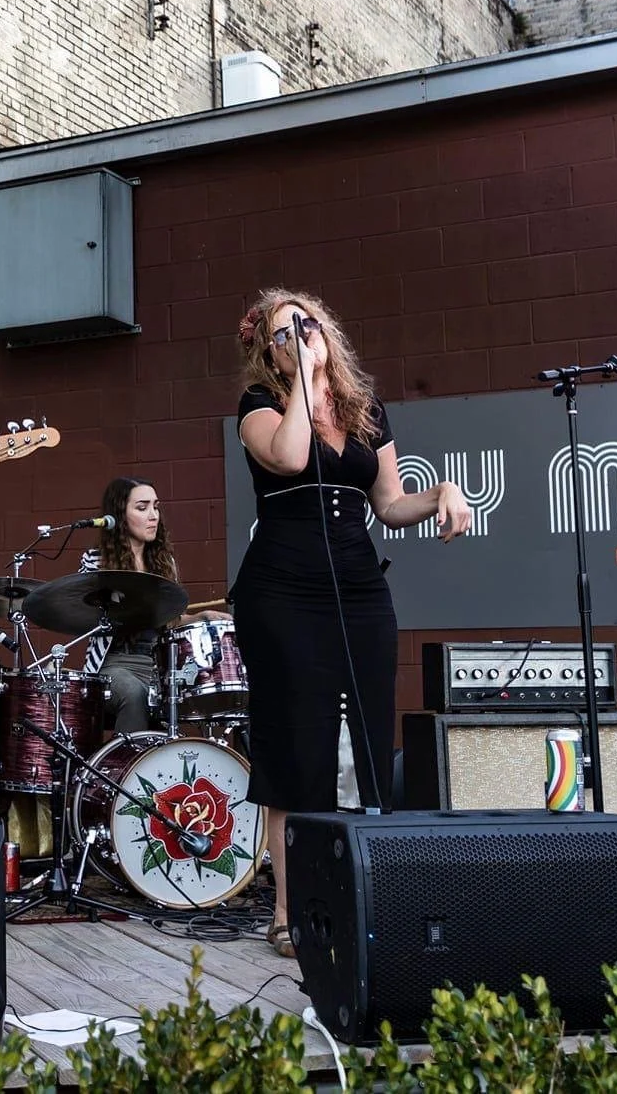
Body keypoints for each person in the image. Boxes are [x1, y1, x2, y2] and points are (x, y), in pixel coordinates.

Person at [231, 288, 473, 960]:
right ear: (267, 352)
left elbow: (390, 503)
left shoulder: (367, 411)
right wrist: (303, 383)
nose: (298, 337)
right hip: (282, 591)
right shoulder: (260, 408)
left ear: (328, 330)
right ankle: (285, 911)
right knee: (295, 747)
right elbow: (289, 457)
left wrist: (444, 493)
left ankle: (368, 889)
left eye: (305, 326)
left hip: (359, 587)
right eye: (283, 334)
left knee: (366, 736)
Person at [77, 477, 227, 733]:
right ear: (119, 515)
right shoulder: (96, 561)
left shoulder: (163, 562)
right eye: (142, 507)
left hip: (157, 665)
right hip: (114, 664)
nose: (153, 515)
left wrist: (204, 616)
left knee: (187, 694)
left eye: (156, 507)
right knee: (135, 694)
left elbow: (171, 621)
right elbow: (82, 613)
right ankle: (128, 769)